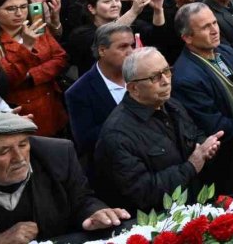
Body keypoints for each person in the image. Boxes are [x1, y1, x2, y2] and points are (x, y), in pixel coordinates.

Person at [94, 47, 222, 213]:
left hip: (193, 208)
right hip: (157, 225)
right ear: (133, 88)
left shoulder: (171, 105)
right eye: (155, 77)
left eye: (167, 71)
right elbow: (143, 193)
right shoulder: (118, 134)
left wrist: (206, 148)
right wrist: (191, 166)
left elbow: (194, 135)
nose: (166, 80)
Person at [0, 112, 130, 243]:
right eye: (4, 151)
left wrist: (94, 213)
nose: (19, 158)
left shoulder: (58, 154)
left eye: (23, 145)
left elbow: (81, 200)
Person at [171, 3, 233, 196]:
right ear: (187, 37)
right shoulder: (186, 75)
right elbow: (212, 121)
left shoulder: (225, 51)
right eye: (206, 27)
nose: (215, 30)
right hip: (225, 159)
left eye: (214, 23)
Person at [0, 0, 68, 137]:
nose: (19, 13)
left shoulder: (38, 30)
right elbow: (8, 79)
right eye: (11, 9)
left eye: (23, 7)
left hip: (53, 108)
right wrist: (26, 46)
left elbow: (61, 59)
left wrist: (32, 75)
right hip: (23, 116)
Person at [64, 24, 136, 160]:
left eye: (132, 45)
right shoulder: (79, 92)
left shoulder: (140, 73)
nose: (130, 52)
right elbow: (85, 141)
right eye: (123, 47)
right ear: (102, 50)